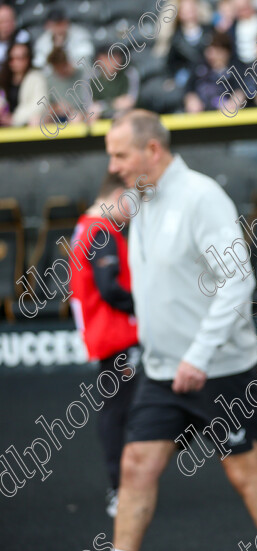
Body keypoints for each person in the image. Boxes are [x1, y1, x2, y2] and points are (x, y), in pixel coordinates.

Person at [105, 110, 257, 551]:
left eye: (120, 154)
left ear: (152, 150)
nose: (113, 165)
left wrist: (199, 355)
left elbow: (237, 281)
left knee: (245, 471)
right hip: (161, 371)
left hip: (220, 370)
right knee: (135, 466)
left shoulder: (201, 197)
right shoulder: (143, 197)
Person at [69, 172, 141, 518]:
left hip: (107, 336)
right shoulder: (101, 230)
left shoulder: (85, 226)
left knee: (118, 411)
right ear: (117, 193)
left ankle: (122, 488)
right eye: (132, 199)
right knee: (118, 413)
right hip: (117, 337)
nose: (134, 209)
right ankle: (120, 490)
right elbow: (109, 288)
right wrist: (144, 305)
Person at [0, 41, 46, 127]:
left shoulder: (36, 78)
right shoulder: (4, 78)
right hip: (4, 123)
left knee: (35, 120)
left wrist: (14, 119)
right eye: (12, 58)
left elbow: (39, 104)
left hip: (25, 123)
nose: (15, 62)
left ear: (28, 59)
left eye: (19, 58)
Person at [89, 45, 139, 121]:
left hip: (123, 114)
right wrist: (113, 104)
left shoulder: (129, 73)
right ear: (99, 59)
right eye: (109, 58)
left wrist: (103, 106)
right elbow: (90, 106)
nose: (115, 61)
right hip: (99, 116)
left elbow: (130, 101)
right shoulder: (91, 77)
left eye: (117, 57)